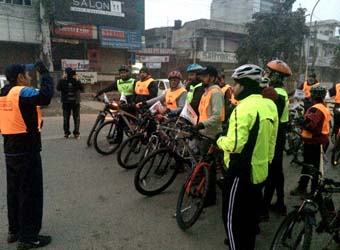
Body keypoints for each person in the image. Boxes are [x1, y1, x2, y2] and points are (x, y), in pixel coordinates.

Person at [217, 64, 278, 250]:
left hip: (240, 172)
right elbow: (272, 142)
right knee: (250, 218)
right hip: (260, 171)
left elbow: (234, 145)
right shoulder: (269, 105)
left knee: (232, 221)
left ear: (244, 85)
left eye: (235, 84)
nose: (232, 88)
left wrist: (219, 140)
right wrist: (266, 162)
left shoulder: (243, 109)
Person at [0, 62, 53, 250]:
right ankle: (29, 237)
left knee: (14, 192)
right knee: (30, 193)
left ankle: (14, 231)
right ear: (20, 77)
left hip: (10, 150)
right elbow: (45, 96)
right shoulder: (21, 91)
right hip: (27, 149)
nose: (30, 78)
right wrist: (45, 74)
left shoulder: (2, 93)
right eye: (27, 75)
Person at [262, 60, 292, 218]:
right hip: (279, 133)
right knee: (277, 172)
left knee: (271, 173)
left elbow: (273, 117)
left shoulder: (277, 94)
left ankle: (264, 209)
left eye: (268, 73)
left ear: (276, 76)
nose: (265, 74)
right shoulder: (277, 91)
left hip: (276, 135)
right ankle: (280, 203)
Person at [290, 85, 331, 197]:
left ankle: (309, 190)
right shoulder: (323, 107)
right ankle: (311, 190)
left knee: (310, 167)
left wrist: (301, 121)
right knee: (314, 166)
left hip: (314, 142)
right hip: (320, 141)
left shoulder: (316, 109)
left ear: (313, 95)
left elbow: (311, 125)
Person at [194, 65, 225, 207]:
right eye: (201, 76)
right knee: (205, 164)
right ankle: (205, 191)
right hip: (203, 133)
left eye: (205, 76)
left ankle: (210, 197)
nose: (202, 78)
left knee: (210, 168)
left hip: (211, 134)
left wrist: (202, 125)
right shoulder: (206, 92)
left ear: (212, 77)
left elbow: (217, 116)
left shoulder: (216, 92)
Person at [57, 68, 84, 139]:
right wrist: (61, 79)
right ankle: (67, 133)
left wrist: (78, 80)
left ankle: (76, 133)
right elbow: (58, 88)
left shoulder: (76, 81)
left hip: (75, 103)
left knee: (76, 118)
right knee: (66, 118)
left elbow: (82, 89)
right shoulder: (63, 81)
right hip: (66, 103)